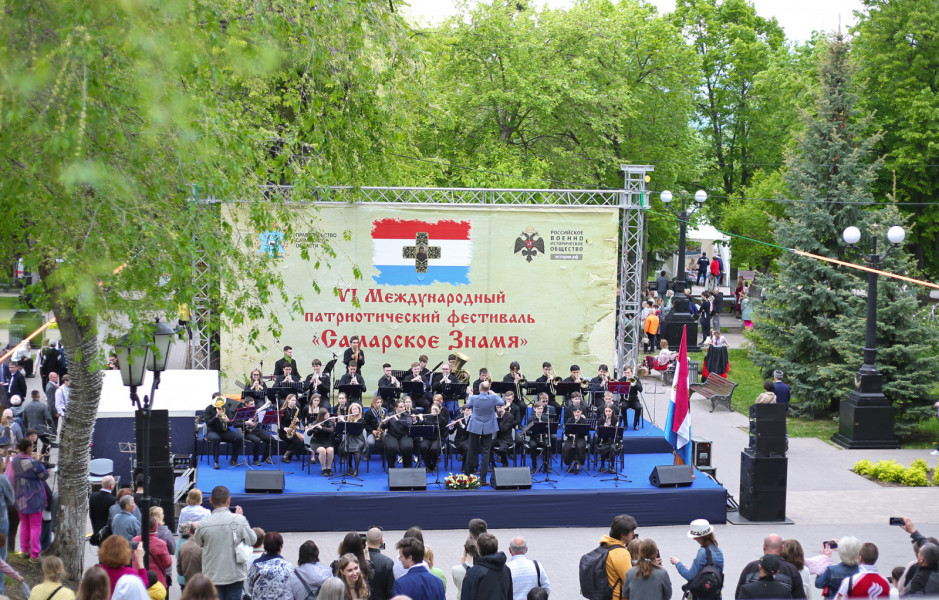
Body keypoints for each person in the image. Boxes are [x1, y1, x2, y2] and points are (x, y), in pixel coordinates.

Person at [192, 485, 258, 600]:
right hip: (235, 573)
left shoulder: (203, 523)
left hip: (212, 574)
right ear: (229, 500)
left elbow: (198, 542)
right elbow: (253, 540)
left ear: (211, 500)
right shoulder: (239, 520)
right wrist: (240, 519)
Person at [735, 534, 806, 599]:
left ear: (764, 547)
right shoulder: (791, 570)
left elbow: (739, 595)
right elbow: (799, 597)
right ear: (782, 548)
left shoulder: (750, 568)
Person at [11, 436, 48, 560]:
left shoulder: (15, 460)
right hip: (34, 496)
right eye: (32, 446)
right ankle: (35, 554)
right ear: (28, 448)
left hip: (20, 495)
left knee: (24, 525)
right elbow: (44, 475)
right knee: (35, 526)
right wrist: (38, 461)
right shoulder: (33, 463)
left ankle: (24, 550)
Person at [463, 381, 504, 486]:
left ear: (480, 389)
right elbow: (502, 402)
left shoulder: (474, 398)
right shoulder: (493, 398)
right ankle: (482, 480)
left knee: (471, 450)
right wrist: (493, 393)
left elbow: (468, 405)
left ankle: (468, 476)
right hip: (488, 427)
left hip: (475, 426)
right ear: (488, 389)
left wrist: (470, 395)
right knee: (486, 453)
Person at [670, 519, 724, 598]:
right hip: (715, 594)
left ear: (698, 537)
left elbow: (690, 576)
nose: (694, 539)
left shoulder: (702, 552)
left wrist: (678, 564)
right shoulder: (718, 551)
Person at [461, 533, 512, 600]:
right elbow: (509, 595)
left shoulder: (473, 573)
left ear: (479, 549)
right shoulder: (506, 569)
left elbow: (466, 596)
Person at [245, 532, 295, 600]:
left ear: (264, 547)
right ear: (280, 548)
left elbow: (250, 587)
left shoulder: (256, 566)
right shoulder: (289, 567)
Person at [202, 393, 243, 470]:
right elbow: (208, 423)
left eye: (221, 399)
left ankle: (233, 460)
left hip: (224, 431)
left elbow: (231, 423)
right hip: (212, 431)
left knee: (238, 438)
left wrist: (228, 420)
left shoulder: (225, 407)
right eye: (218, 399)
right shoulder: (208, 409)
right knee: (216, 439)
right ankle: (216, 462)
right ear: (213, 400)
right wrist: (215, 417)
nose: (220, 401)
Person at [133, 517, 173, 588]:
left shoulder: (135, 540)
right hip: (157, 581)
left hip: (138, 579)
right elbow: (167, 563)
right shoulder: (160, 544)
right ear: (155, 527)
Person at [240, 397, 274, 466]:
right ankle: (256, 460)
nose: (253, 405)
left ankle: (265, 458)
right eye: (251, 404)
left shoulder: (256, 411)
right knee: (257, 440)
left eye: (254, 404)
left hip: (257, 430)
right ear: (246, 404)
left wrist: (262, 418)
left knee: (272, 439)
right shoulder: (242, 412)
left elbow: (261, 422)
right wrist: (247, 422)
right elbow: (236, 424)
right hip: (247, 432)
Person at [383, 400, 415, 469]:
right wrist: (385, 422)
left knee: (407, 447)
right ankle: (391, 467)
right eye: (401, 407)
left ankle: (406, 467)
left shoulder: (407, 415)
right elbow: (383, 427)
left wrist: (398, 420)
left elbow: (408, 424)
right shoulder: (389, 415)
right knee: (392, 448)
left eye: (403, 407)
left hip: (404, 435)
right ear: (395, 408)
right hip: (392, 435)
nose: (403, 408)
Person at [365, 528, 395, 600]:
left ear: (366, 540)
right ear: (381, 541)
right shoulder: (387, 562)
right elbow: (390, 591)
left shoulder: (356, 560)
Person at [340, 402, 368, 476]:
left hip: (358, 438)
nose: (355, 411)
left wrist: (344, 421)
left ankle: (356, 469)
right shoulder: (348, 418)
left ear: (359, 410)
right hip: (349, 438)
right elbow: (345, 430)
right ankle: (350, 467)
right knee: (348, 449)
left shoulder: (362, 420)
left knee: (356, 450)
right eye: (353, 409)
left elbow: (355, 430)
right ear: (350, 411)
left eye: (356, 409)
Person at [307, 408, 336, 476]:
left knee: (330, 450)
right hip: (316, 442)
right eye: (326, 415)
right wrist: (311, 429)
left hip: (327, 441)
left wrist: (321, 428)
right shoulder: (316, 422)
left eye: (328, 415)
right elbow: (309, 434)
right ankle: (323, 469)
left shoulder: (330, 422)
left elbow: (331, 430)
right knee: (322, 450)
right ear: (322, 416)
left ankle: (329, 468)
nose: (328, 417)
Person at [279, 394, 306, 463]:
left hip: (292, 430)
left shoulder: (295, 409)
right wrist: (284, 428)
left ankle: (292, 452)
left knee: (303, 438)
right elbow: (278, 423)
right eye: (293, 400)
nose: (294, 402)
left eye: (295, 400)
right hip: (283, 432)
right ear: (288, 400)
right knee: (297, 442)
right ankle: (285, 456)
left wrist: (298, 419)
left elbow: (299, 418)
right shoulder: (283, 410)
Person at [176, 522, 203, 592]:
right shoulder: (204, 546)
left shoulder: (182, 546)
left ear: (190, 531)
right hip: (202, 583)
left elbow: (179, 569)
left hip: (187, 582)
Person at [562, 405, 588, 474]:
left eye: (578, 412)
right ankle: (569, 464)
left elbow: (586, 432)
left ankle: (577, 465)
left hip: (580, 437)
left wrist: (581, 432)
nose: (576, 413)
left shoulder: (583, 421)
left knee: (580, 447)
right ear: (573, 413)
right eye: (575, 412)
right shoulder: (570, 420)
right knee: (568, 448)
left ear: (581, 412)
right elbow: (566, 432)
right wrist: (569, 434)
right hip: (571, 438)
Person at [90, 475, 117, 542]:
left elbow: (91, 514)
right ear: (111, 485)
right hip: (108, 533)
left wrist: (95, 529)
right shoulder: (113, 500)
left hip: (97, 530)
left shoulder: (93, 496)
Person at [491, 403, 515, 469]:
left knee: (501, 449)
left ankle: (505, 463)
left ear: (504, 406)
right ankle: (493, 464)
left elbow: (503, 429)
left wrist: (497, 419)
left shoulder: (510, 416)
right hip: (498, 438)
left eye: (501, 407)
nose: (499, 409)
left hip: (506, 440)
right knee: (487, 446)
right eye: (498, 407)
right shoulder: (495, 414)